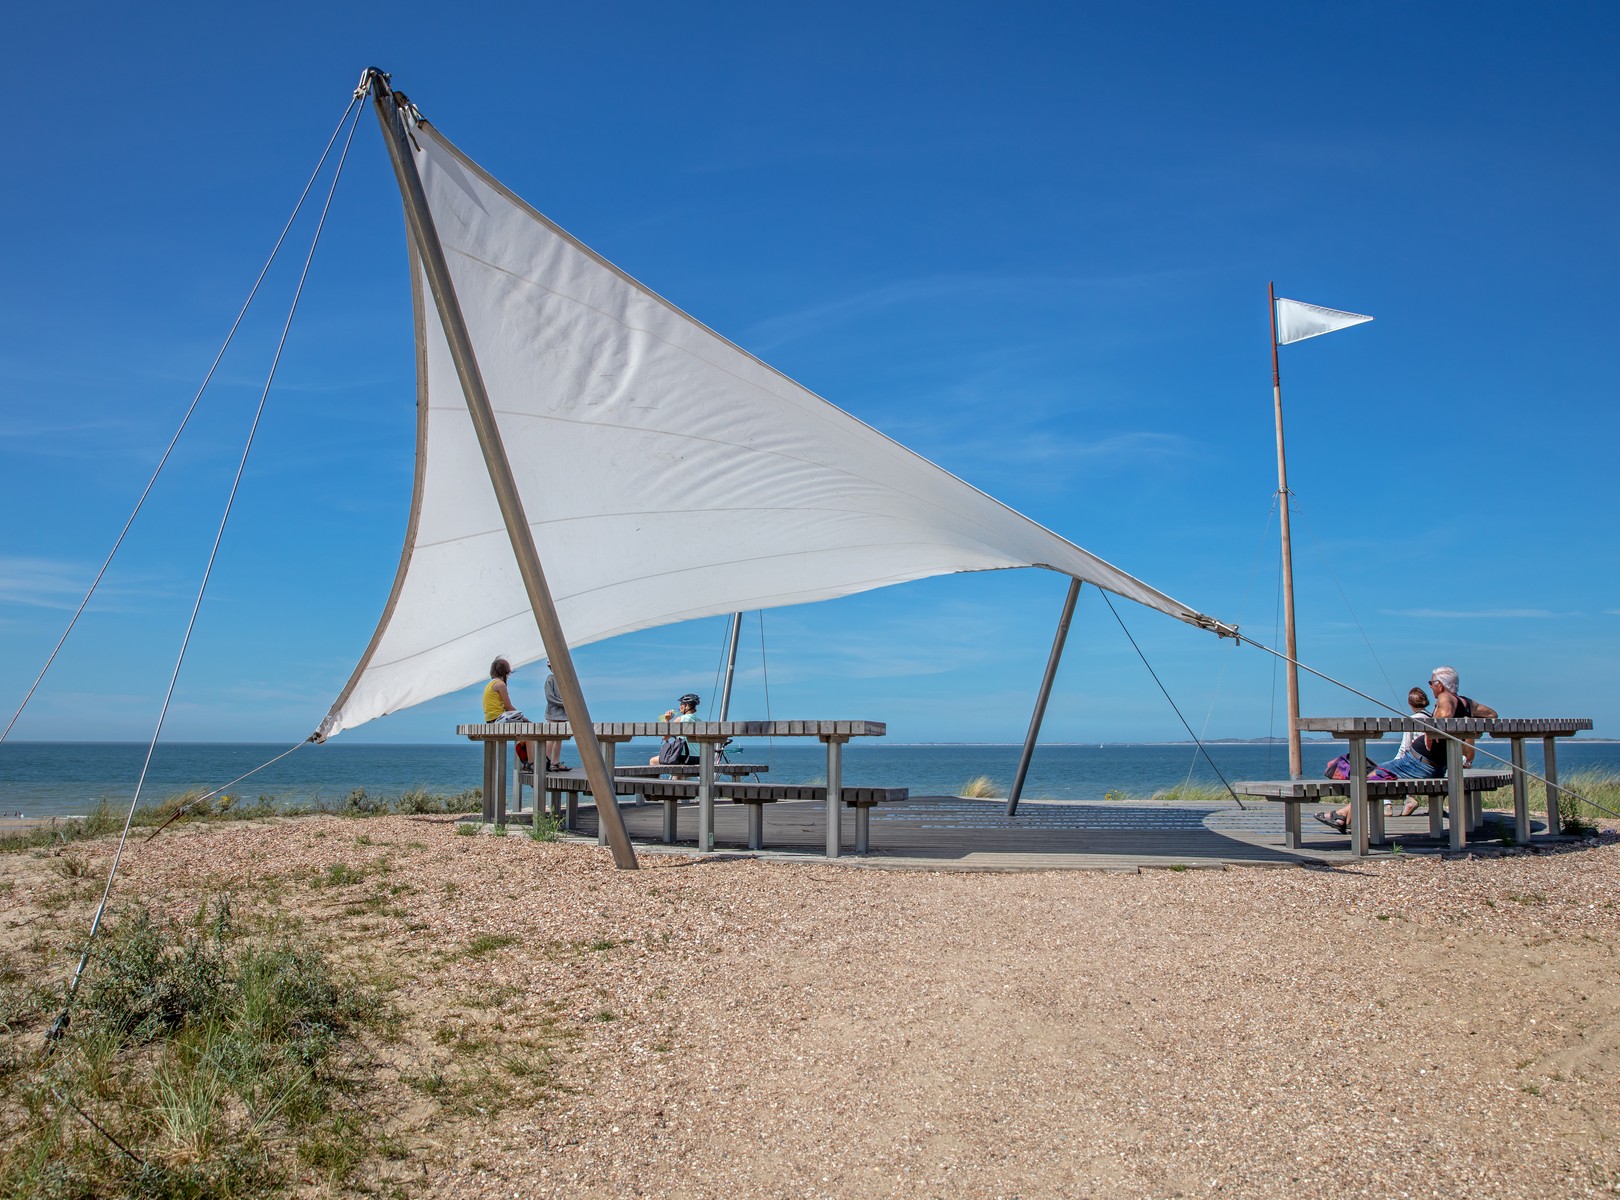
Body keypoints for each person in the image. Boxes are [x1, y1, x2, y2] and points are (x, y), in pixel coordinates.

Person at [1316, 666, 1498, 832]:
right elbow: (1492, 714)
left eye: (1432, 683)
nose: (1431, 687)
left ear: (1440, 685)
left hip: (1418, 764)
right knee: (1373, 777)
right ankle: (1343, 816)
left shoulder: (1445, 697)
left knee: (1369, 776)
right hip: (1432, 765)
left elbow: (1444, 719)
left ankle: (1341, 816)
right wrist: (1468, 729)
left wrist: (1430, 732)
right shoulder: (1465, 703)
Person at [1384, 687, 1431, 818]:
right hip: (1434, 766)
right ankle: (1409, 798)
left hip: (1416, 763)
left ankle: (1387, 803)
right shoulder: (1433, 717)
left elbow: (1405, 747)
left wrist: (1396, 761)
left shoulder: (1412, 720)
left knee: (1382, 771)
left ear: (1410, 703)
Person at [484, 657, 534, 775]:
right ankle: (530, 763)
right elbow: (508, 707)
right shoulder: (500, 685)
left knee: (523, 730)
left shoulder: (490, 684)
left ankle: (523, 751)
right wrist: (522, 716)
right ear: (506, 672)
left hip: (490, 719)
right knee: (530, 728)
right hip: (499, 719)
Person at [649, 693, 701, 766]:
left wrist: (667, 720)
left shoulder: (680, 719)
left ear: (686, 706)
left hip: (685, 758)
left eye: (681, 704)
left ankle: (654, 778)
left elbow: (665, 737)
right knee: (677, 760)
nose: (680, 707)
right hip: (699, 758)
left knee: (653, 761)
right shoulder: (700, 721)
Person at [543, 662, 570, 772]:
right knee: (551, 738)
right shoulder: (550, 679)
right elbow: (549, 697)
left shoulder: (566, 679)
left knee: (559, 739)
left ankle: (555, 762)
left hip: (563, 714)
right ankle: (546, 761)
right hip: (553, 713)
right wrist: (565, 703)